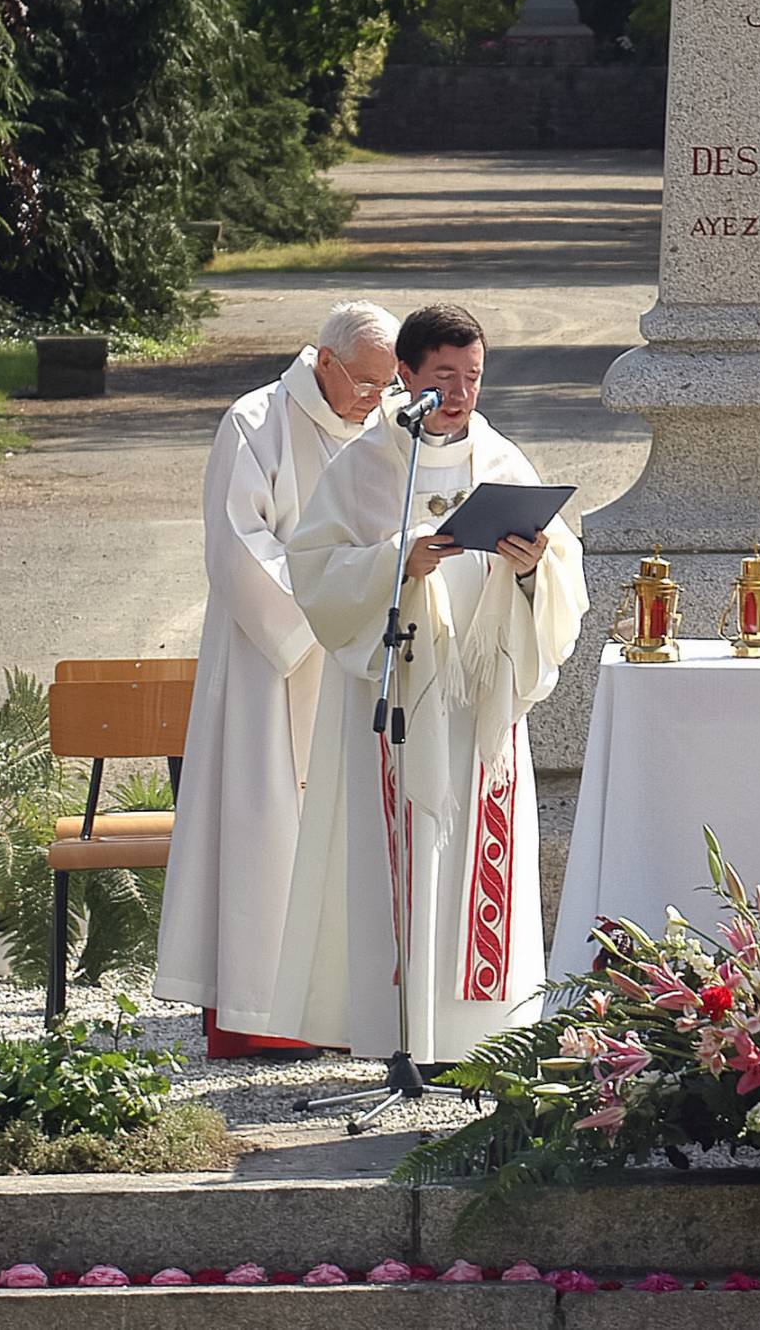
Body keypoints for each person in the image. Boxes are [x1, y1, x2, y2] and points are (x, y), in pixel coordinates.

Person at [267, 302, 588, 1063]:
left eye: (473, 376)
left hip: (480, 697)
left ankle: (483, 1040)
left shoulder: (503, 461)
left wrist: (530, 570)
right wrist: (395, 561)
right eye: (445, 375)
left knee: (476, 855)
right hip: (401, 698)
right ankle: (401, 1036)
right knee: (402, 852)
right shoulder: (365, 466)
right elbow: (314, 570)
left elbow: (563, 576)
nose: (461, 392)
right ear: (406, 376)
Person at [153, 301, 402, 1049]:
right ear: (324, 362)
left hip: (364, 652)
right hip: (274, 660)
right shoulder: (255, 423)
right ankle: (262, 1015)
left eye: (389, 384)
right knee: (265, 825)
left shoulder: (392, 428)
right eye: (365, 382)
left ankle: (355, 1005)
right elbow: (238, 545)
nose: (375, 399)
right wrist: (328, 609)